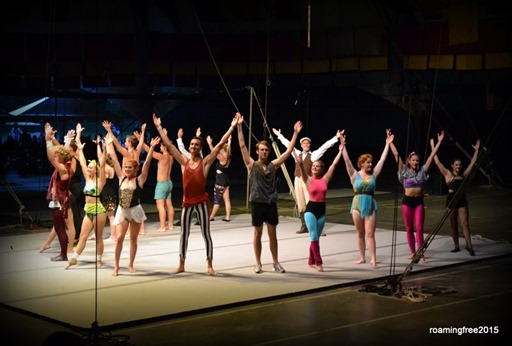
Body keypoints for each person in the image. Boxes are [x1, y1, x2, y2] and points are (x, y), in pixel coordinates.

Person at [153, 113, 238, 276]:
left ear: (200, 148)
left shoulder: (204, 162)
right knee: (184, 234)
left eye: (195, 145)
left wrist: (232, 127)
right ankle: (181, 264)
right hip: (187, 202)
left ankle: (210, 265)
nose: (192, 146)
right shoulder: (184, 162)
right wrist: (158, 127)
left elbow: (220, 144)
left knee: (206, 233)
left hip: (200, 201)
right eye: (191, 144)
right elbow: (170, 146)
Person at [238, 115, 303, 274]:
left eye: (266, 150)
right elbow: (241, 145)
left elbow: (288, 152)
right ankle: (258, 263)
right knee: (257, 232)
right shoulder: (251, 165)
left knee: (272, 233)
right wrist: (239, 126)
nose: (265, 152)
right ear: (257, 151)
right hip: (257, 202)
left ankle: (275, 262)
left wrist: (295, 133)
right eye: (262, 149)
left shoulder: (274, 165)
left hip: (271, 203)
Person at [341, 129, 394, 269]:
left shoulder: (374, 174)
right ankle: (362, 257)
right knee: (360, 233)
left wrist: (387, 144)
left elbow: (383, 159)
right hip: (357, 205)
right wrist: (342, 145)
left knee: (370, 234)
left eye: (371, 162)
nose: (371, 164)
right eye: (368, 163)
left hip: (370, 205)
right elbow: (346, 160)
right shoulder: (354, 174)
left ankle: (373, 259)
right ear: (362, 163)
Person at [108, 133, 160, 276]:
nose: (127, 169)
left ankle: (131, 264)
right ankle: (117, 266)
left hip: (135, 210)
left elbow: (148, 164)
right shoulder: (121, 178)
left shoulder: (140, 180)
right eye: (126, 167)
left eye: (130, 168)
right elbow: (114, 158)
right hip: (123, 210)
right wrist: (109, 143)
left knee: (133, 239)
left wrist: (151, 149)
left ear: (135, 169)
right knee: (119, 238)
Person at [273, 128, 341, 234]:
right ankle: (304, 226)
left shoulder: (313, 155)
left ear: (310, 145)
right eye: (304, 143)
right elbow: (287, 144)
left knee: (311, 202)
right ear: (301, 145)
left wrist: (336, 137)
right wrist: (279, 135)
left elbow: (325, 146)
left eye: (308, 143)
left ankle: (316, 227)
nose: (306, 144)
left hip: (308, 181)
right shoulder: (297, 153)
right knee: (300, 203)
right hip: (298, 179)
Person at [389, 131, 444, 261]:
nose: (415, 162)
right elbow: (396, 155)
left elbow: (432, 156)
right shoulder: (404, 171)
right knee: (409, 228)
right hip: (407, 202)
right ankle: (413, 252)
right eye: (413, 160)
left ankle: (421, 253)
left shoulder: (423, 171)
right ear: (409, 161)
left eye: (417, 161)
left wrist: (439, 142)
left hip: (419, 202)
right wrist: (390, 143)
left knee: (419, 227)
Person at [295, 138, 343, 271]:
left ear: (321, 169)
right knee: (314, 236)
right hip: (310, 210)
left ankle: (310, 259)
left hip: (322, 211)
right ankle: (318, 262)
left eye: (317, 166)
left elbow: (334, 164)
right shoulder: (308, 179)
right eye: (313, 166)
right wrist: (297, 156)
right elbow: (301, 165)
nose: (314, 167)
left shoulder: (325, 179)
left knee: (315, 237)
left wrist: (341, 150)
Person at [66, 124, 108, 269]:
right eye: (88, 168)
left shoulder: (100, 181)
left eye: (91, 168)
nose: (89, 169)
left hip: (99, 211)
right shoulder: (88, 178)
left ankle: (99, 260)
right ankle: (74, 259)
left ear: (95, 170)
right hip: (88, 210)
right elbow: (82, 162)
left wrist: (104, 147)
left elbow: (102, 165)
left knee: (98, 238)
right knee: (83, 237)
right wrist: (79, 141)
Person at [431, 136, 480, 256]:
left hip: (462, 201)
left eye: (460, 165)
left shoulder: (464, 174)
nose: (459, 167)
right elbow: (437, 161)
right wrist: (433, 146)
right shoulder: (448, 174)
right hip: (451, 202)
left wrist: (477, 150)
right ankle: (456, 246)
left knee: (465, 224)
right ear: (452, 166)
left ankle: (469, 245)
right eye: (456, 165)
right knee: (453, 225)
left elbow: (473, 163)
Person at [44, 122, 75, 261]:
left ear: (61, 157)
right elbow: (62, 150)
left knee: (60, 228)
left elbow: (51, 156)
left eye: (58, 156)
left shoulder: (63, 169)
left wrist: (47, 140)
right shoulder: (68, 165)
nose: (55, 156)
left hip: (59, 200)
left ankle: (63, 254)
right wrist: (67, 141)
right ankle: (63, 253)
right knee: (59, 228)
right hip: (63, 198)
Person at [139, 128, 175, 232]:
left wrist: (142, 141)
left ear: (164, 147)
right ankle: (171, 225)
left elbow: (149, 152)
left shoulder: (162, 156)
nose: (160, 147)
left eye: (161, 146)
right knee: (169, 204)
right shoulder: (171, 157)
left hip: (162, 184)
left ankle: (163, 226)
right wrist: (165, 135)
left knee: (160, 206)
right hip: (169, 183)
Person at [206, 134, 232, 222]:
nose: (219, 150)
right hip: (226, 181)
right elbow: (227, 148)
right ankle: (227, 217)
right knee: (227, 200)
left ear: (223, 150)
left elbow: (214, 152)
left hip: (220, 181)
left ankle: (211, 217)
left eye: (220, 149)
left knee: (217, 200)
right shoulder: (227, 157)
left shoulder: (222, 158)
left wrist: (209, 143)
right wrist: (229, 141)